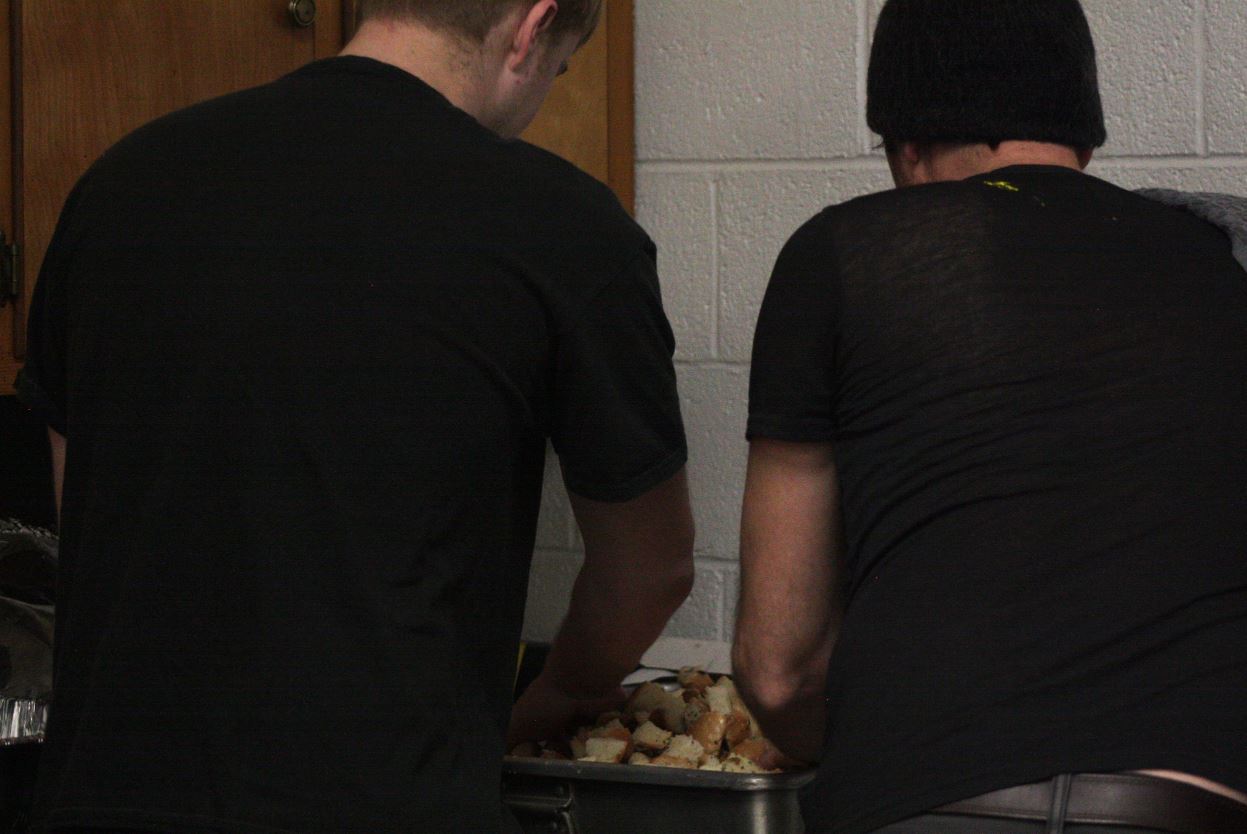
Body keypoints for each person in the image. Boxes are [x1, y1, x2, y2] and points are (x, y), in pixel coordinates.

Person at [14, 0, 695, 831]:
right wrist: (558, 697)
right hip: (382, 799)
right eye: (560, 68)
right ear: (530, 27)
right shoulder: (563, 224)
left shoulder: (120, 183)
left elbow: (76, 503)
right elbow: (649, 570)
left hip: (105, 798)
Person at [732, 1, 1247, 832]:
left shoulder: (843, 253)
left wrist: (890, 751)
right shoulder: (1223, 266)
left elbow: (779, 669)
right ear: (1084, 137)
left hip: (927, 800)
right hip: (1191, 801)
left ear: (905, 146)